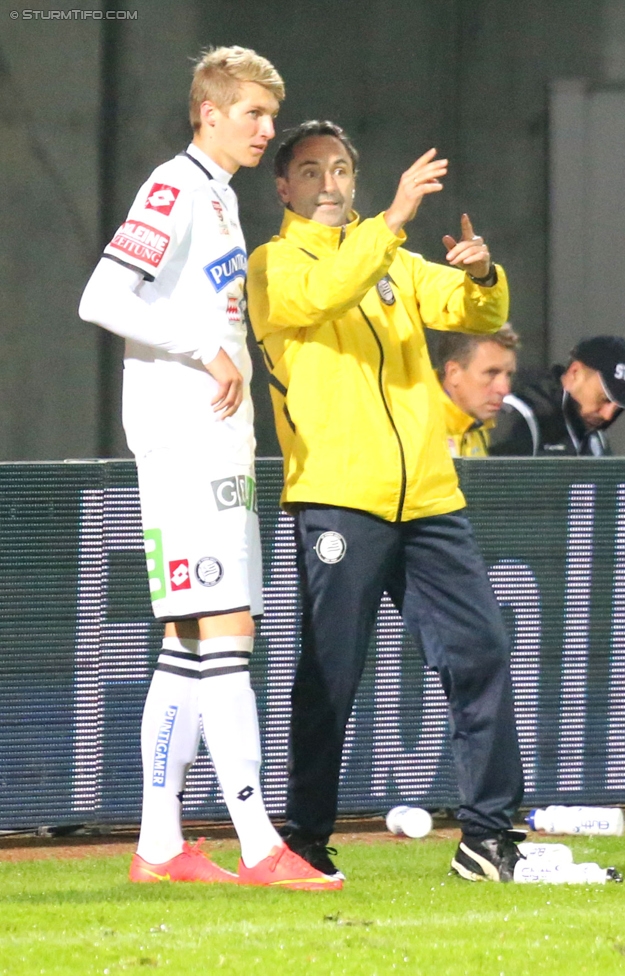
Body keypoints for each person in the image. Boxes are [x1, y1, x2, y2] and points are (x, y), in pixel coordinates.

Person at [79, 49, 340, 890]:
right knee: (230, 634)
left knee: (188, 640)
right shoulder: (175, 187)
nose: (267, 129)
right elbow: (102, 296)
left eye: (270, 114)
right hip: (184, 439)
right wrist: (199, 350)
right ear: (208, 112)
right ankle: (260, 844)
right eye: (254, 114)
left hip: (214, 441)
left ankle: (160, 844)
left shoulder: (220, 195)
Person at [247, 120, 525, 885]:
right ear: (284, 188)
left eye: (340, 168)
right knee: (331, 674)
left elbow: (471, 316)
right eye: (310, 171)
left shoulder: (391, 263)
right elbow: (321, 293)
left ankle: (488, 837)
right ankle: (304, 840)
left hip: (429, 499)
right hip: (338, 498)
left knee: (481, 652)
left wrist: (479, 273)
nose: (329, 182)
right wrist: (391, 219)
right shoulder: (273, 265)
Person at [489, 335, 625, 456]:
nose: (608, 416)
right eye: (604, 399)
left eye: (619, 408)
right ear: (574, 374)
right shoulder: (519, 416)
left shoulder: (594, 437)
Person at [432, 324, 519, 457]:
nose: (504, 389)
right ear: (453, 373)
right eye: (491, 373)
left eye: (509, 375)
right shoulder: (412, 430)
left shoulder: (478, 425)